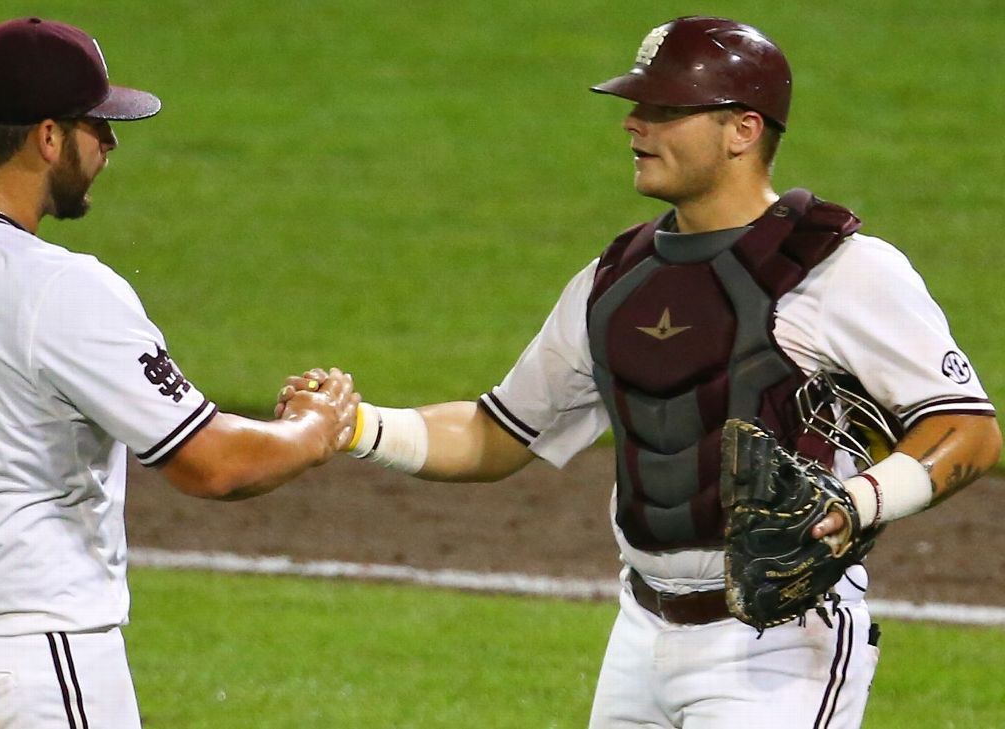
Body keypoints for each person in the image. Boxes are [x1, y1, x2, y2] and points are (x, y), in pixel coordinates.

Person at [282, 15, 1000, 728]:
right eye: (636, 106)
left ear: (742, 130)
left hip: (780, 645)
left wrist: (860, 502)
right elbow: (495, 430)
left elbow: (968, 430)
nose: (634, 124)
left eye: (664, 109)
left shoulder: (844, 272)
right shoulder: (616, 279)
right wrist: (358, 424)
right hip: (639, 631)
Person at [0, 17, 356, 728]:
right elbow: (214, 464)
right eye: (96, 125)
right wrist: (314, 428)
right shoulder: (59, 288)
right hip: (32, 670)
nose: (109, 143)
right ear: (47, 137)